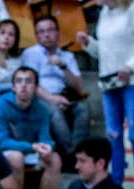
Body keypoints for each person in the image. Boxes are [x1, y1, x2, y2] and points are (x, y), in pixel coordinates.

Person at [77, 0, 134, 189]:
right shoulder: (104, 14)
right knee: (113, 134)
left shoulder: (133, 10)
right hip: (109, 80)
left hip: (133, 80)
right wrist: (88, 44)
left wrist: (130, 66)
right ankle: (115, 182)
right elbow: (104, 51)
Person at [0, 66, 62, 189]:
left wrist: (48, 147)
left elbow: (45, 137)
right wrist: (32, 146)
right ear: (13, 86)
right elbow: (0, 142)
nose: (23, 86)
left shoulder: (41, 109)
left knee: (54, 159)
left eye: (28, 82)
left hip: (30, 151)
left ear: (35, 87)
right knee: (16, 157)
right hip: (1, 153)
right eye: (19, 81)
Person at [20, 15, 89, 156]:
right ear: (37, 36)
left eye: (50, 30)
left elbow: (78, 86)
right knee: (54, 112)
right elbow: (30, 83)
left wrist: (63, 66)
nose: (46, 35)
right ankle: (72, 153)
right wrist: (53, 99)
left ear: (58, 33)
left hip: (65, 94)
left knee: (83, 108)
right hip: (40, 98)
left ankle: (78, 152)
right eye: (41, 32)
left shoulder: (67, 56)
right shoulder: (31, 53)